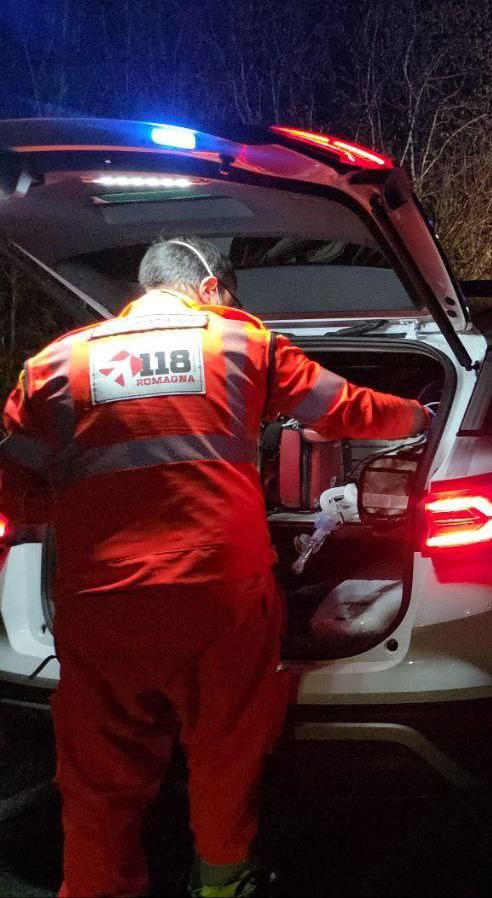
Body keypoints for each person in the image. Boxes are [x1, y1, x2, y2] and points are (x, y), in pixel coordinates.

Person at [0, 237, 430, 898]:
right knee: (225, 752)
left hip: (98, 604)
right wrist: (419, 415)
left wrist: (73, 510)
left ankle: (94, 886)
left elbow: (13, 478)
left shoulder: (55, 364)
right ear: (208, 288)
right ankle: (224, 881)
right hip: (219, 598)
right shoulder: (240, 344)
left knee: (98, 778)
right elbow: (347, 409)